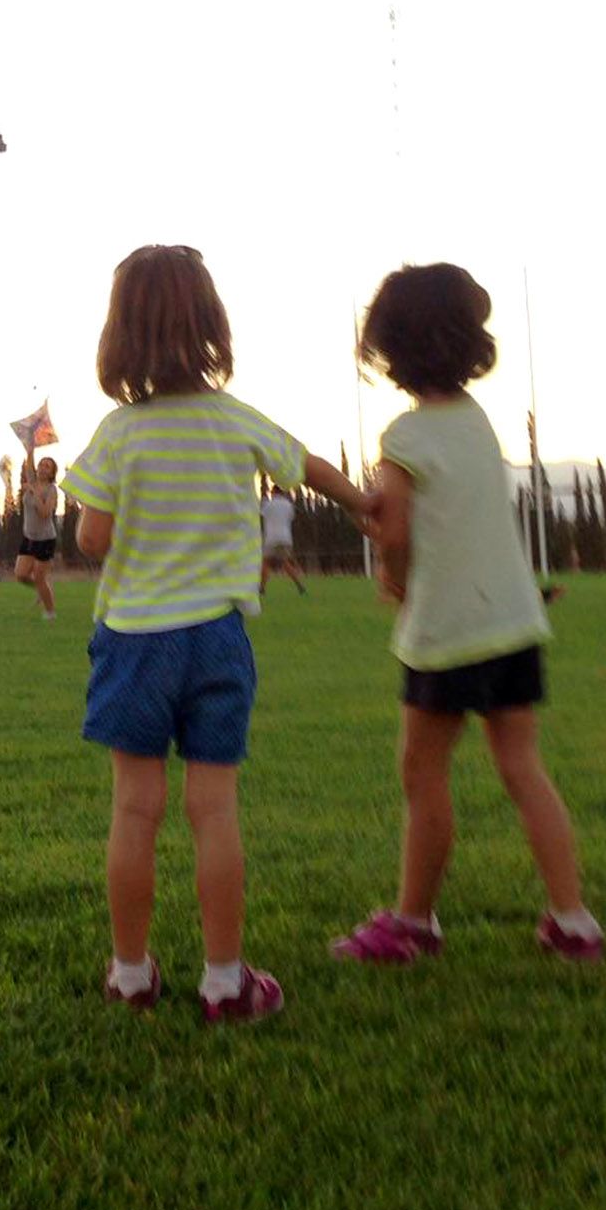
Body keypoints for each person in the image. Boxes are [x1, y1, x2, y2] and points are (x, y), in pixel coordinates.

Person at [63, 243, 374, 1024]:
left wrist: (107, 523)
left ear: (119, 335)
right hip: (217, 640)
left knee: (135, 808)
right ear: (210, 326)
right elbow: (307, 466)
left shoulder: (117, 434)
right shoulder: (237, 422)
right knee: (215, 809)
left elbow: (92, 541)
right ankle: (225, 980)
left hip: (134, 639)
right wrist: (366, 503)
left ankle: (131, 975)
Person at [332, 263, 603, 966]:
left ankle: (413, 921)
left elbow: (393, 534)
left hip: (447, 634)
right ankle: (572, 919)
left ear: (390, 348)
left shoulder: (402, 438)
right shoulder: (478, 423)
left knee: (423, 775)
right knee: (522, 767)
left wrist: (392, 578)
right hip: (513, 624)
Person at [15, 455, 60, 619]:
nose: (42, 467)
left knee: (40, 577)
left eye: (47, 466)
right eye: (41, 464)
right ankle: (43, 589)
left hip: (45, 539)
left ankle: (50, 613)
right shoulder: (32, 481)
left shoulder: (52, 490)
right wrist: (30, 444)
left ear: (52, 473)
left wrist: (34, 493)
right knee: (20, 575)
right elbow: (29, 460)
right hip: (29, 537)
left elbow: (45, 513)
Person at [259, 481, 307, 596]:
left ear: (273, 492)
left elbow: (262, 513)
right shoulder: (289, 505)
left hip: (271, 537)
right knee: (285, 563)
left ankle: (262, 588)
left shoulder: (268, 504)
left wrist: (263, 495)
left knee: (265, 563)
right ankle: (300, 586)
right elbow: (290, 518)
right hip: (285, 538)